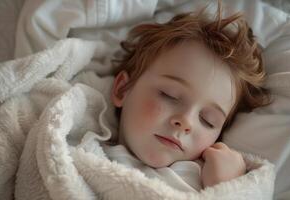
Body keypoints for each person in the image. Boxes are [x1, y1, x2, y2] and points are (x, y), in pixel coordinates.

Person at [109, 3, 271, 189]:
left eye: (207, 120)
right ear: (122, 89)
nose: (186, 121)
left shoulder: (209, 183)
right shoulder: (77, 144)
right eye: (170, 96)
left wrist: (228, 188)